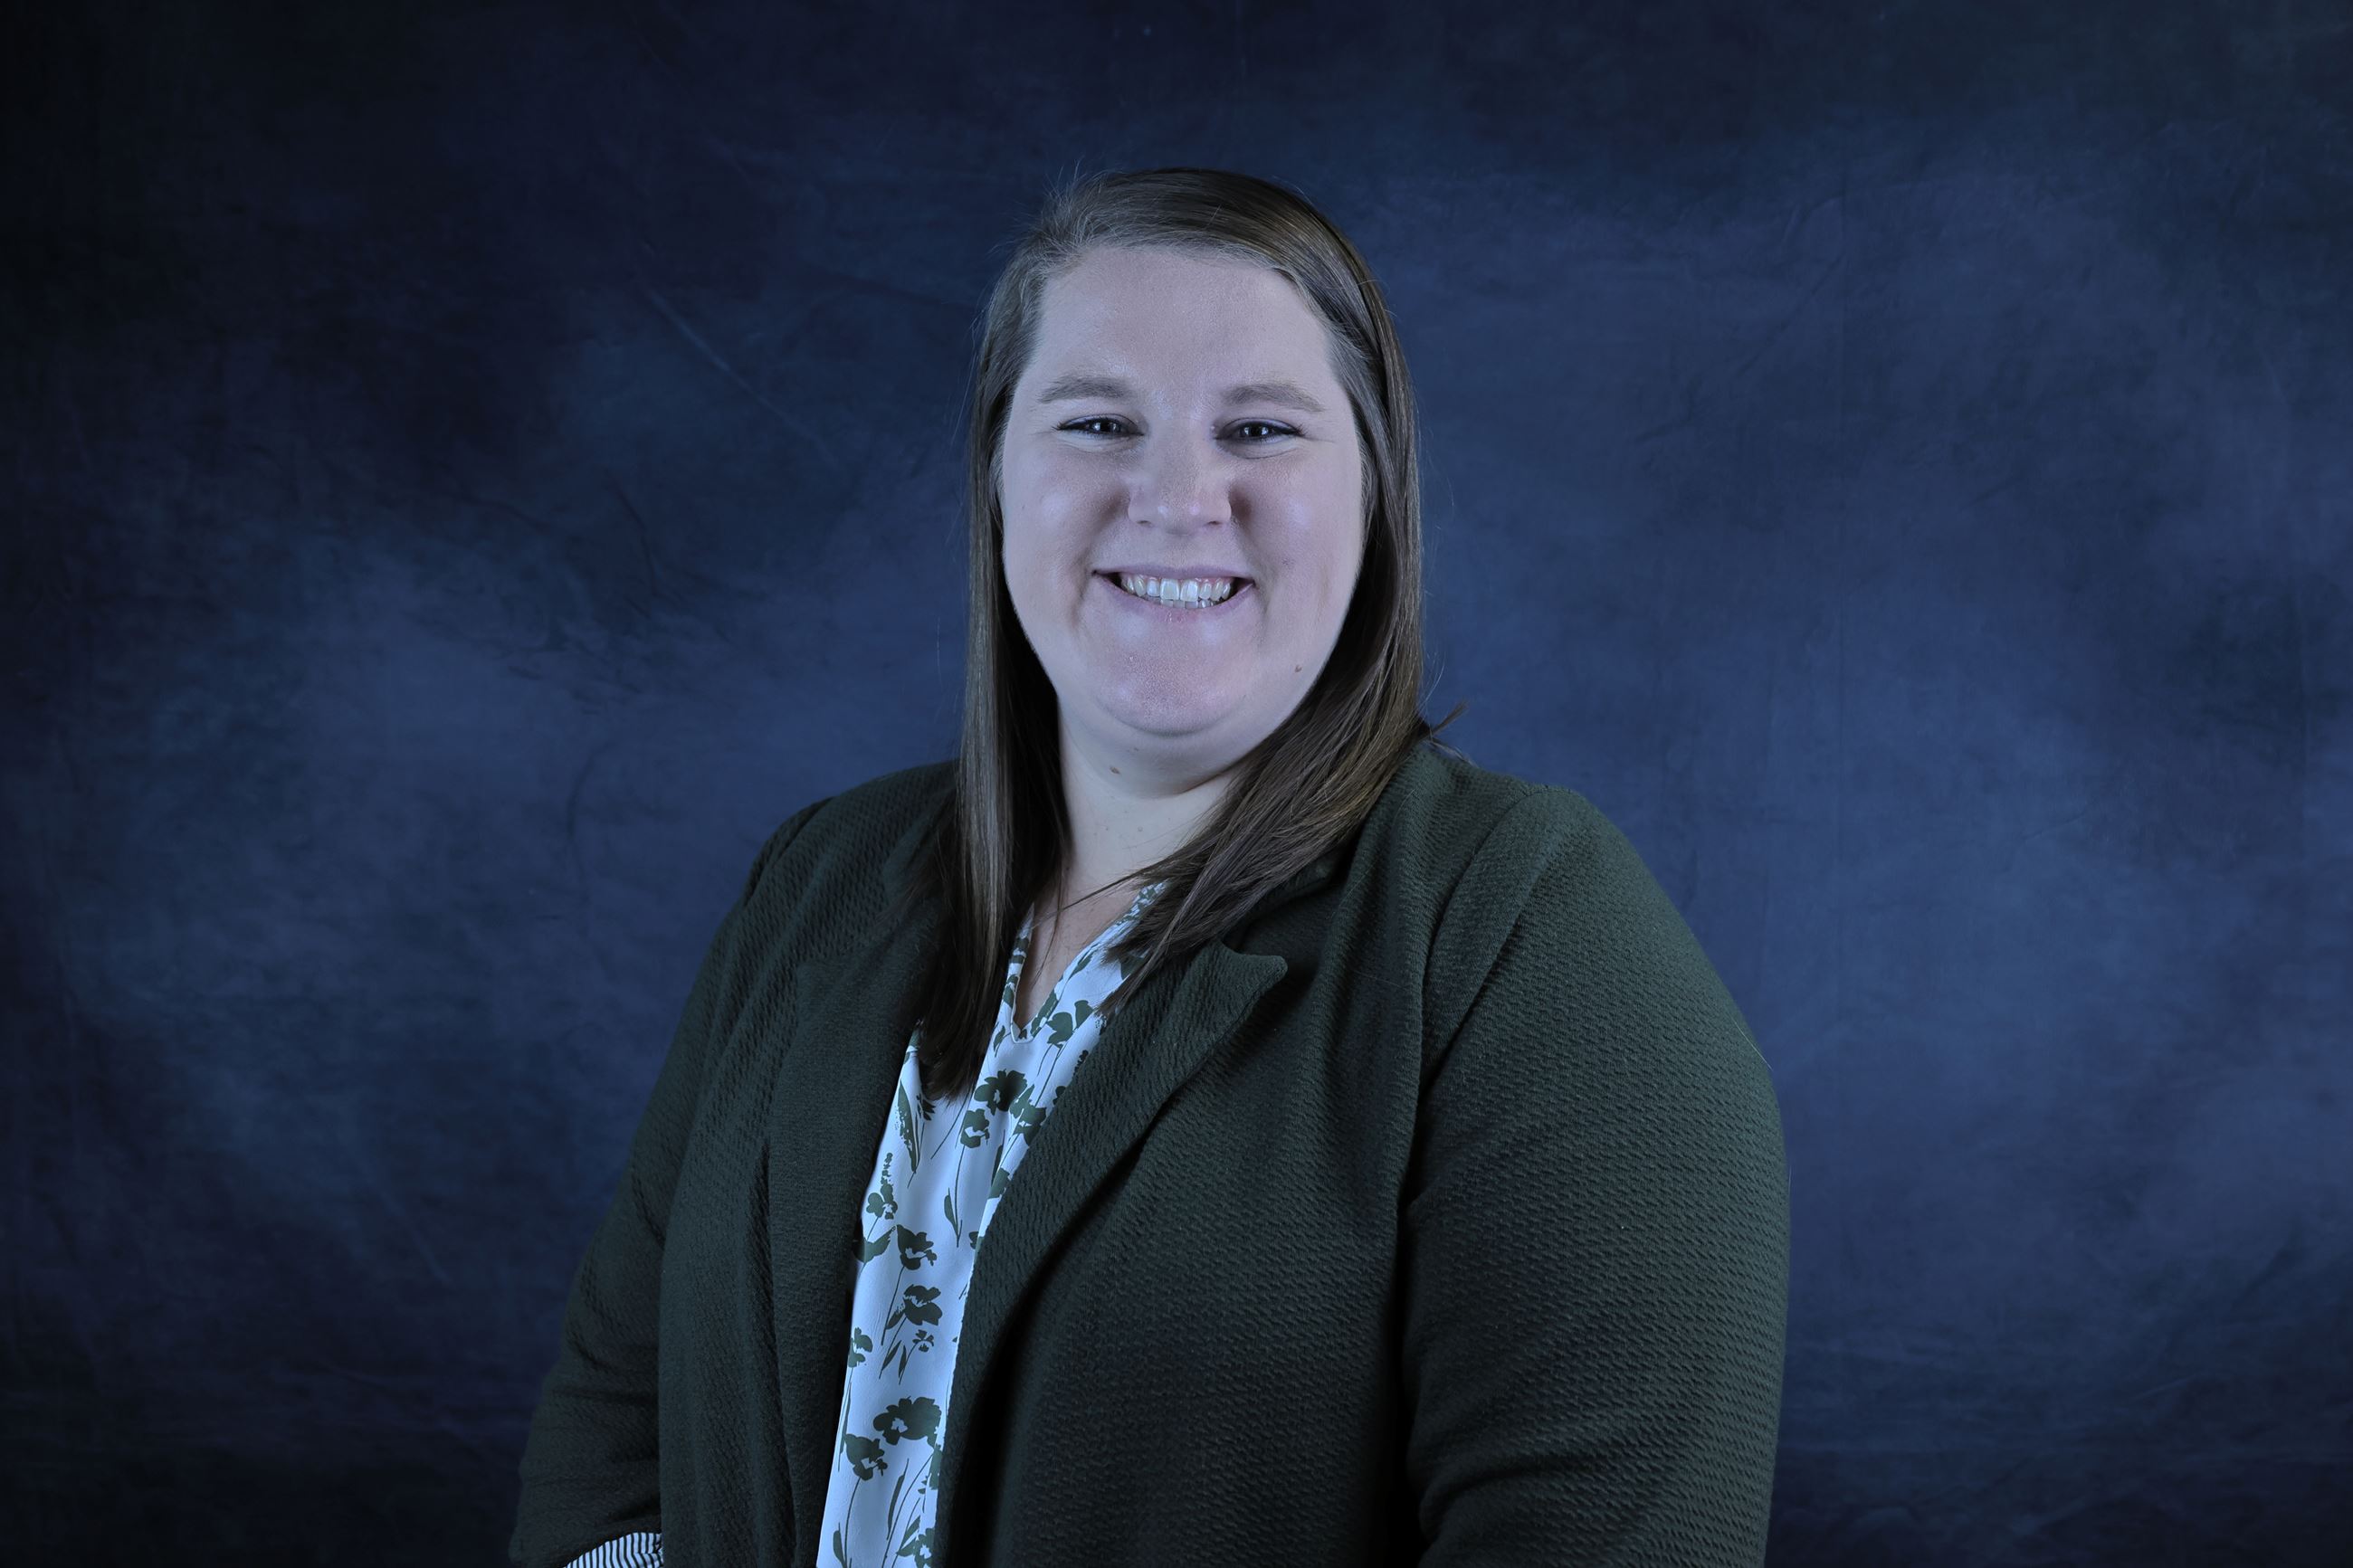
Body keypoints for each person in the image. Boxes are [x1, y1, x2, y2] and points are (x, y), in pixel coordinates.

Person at [508, 166, 1790, 1568]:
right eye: (1099, 421)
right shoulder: (824, 881)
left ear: (1375, 495)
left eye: (1259, 427)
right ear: (1000, 477)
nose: (1178, 497)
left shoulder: (1525, 938)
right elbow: (614, 1440)